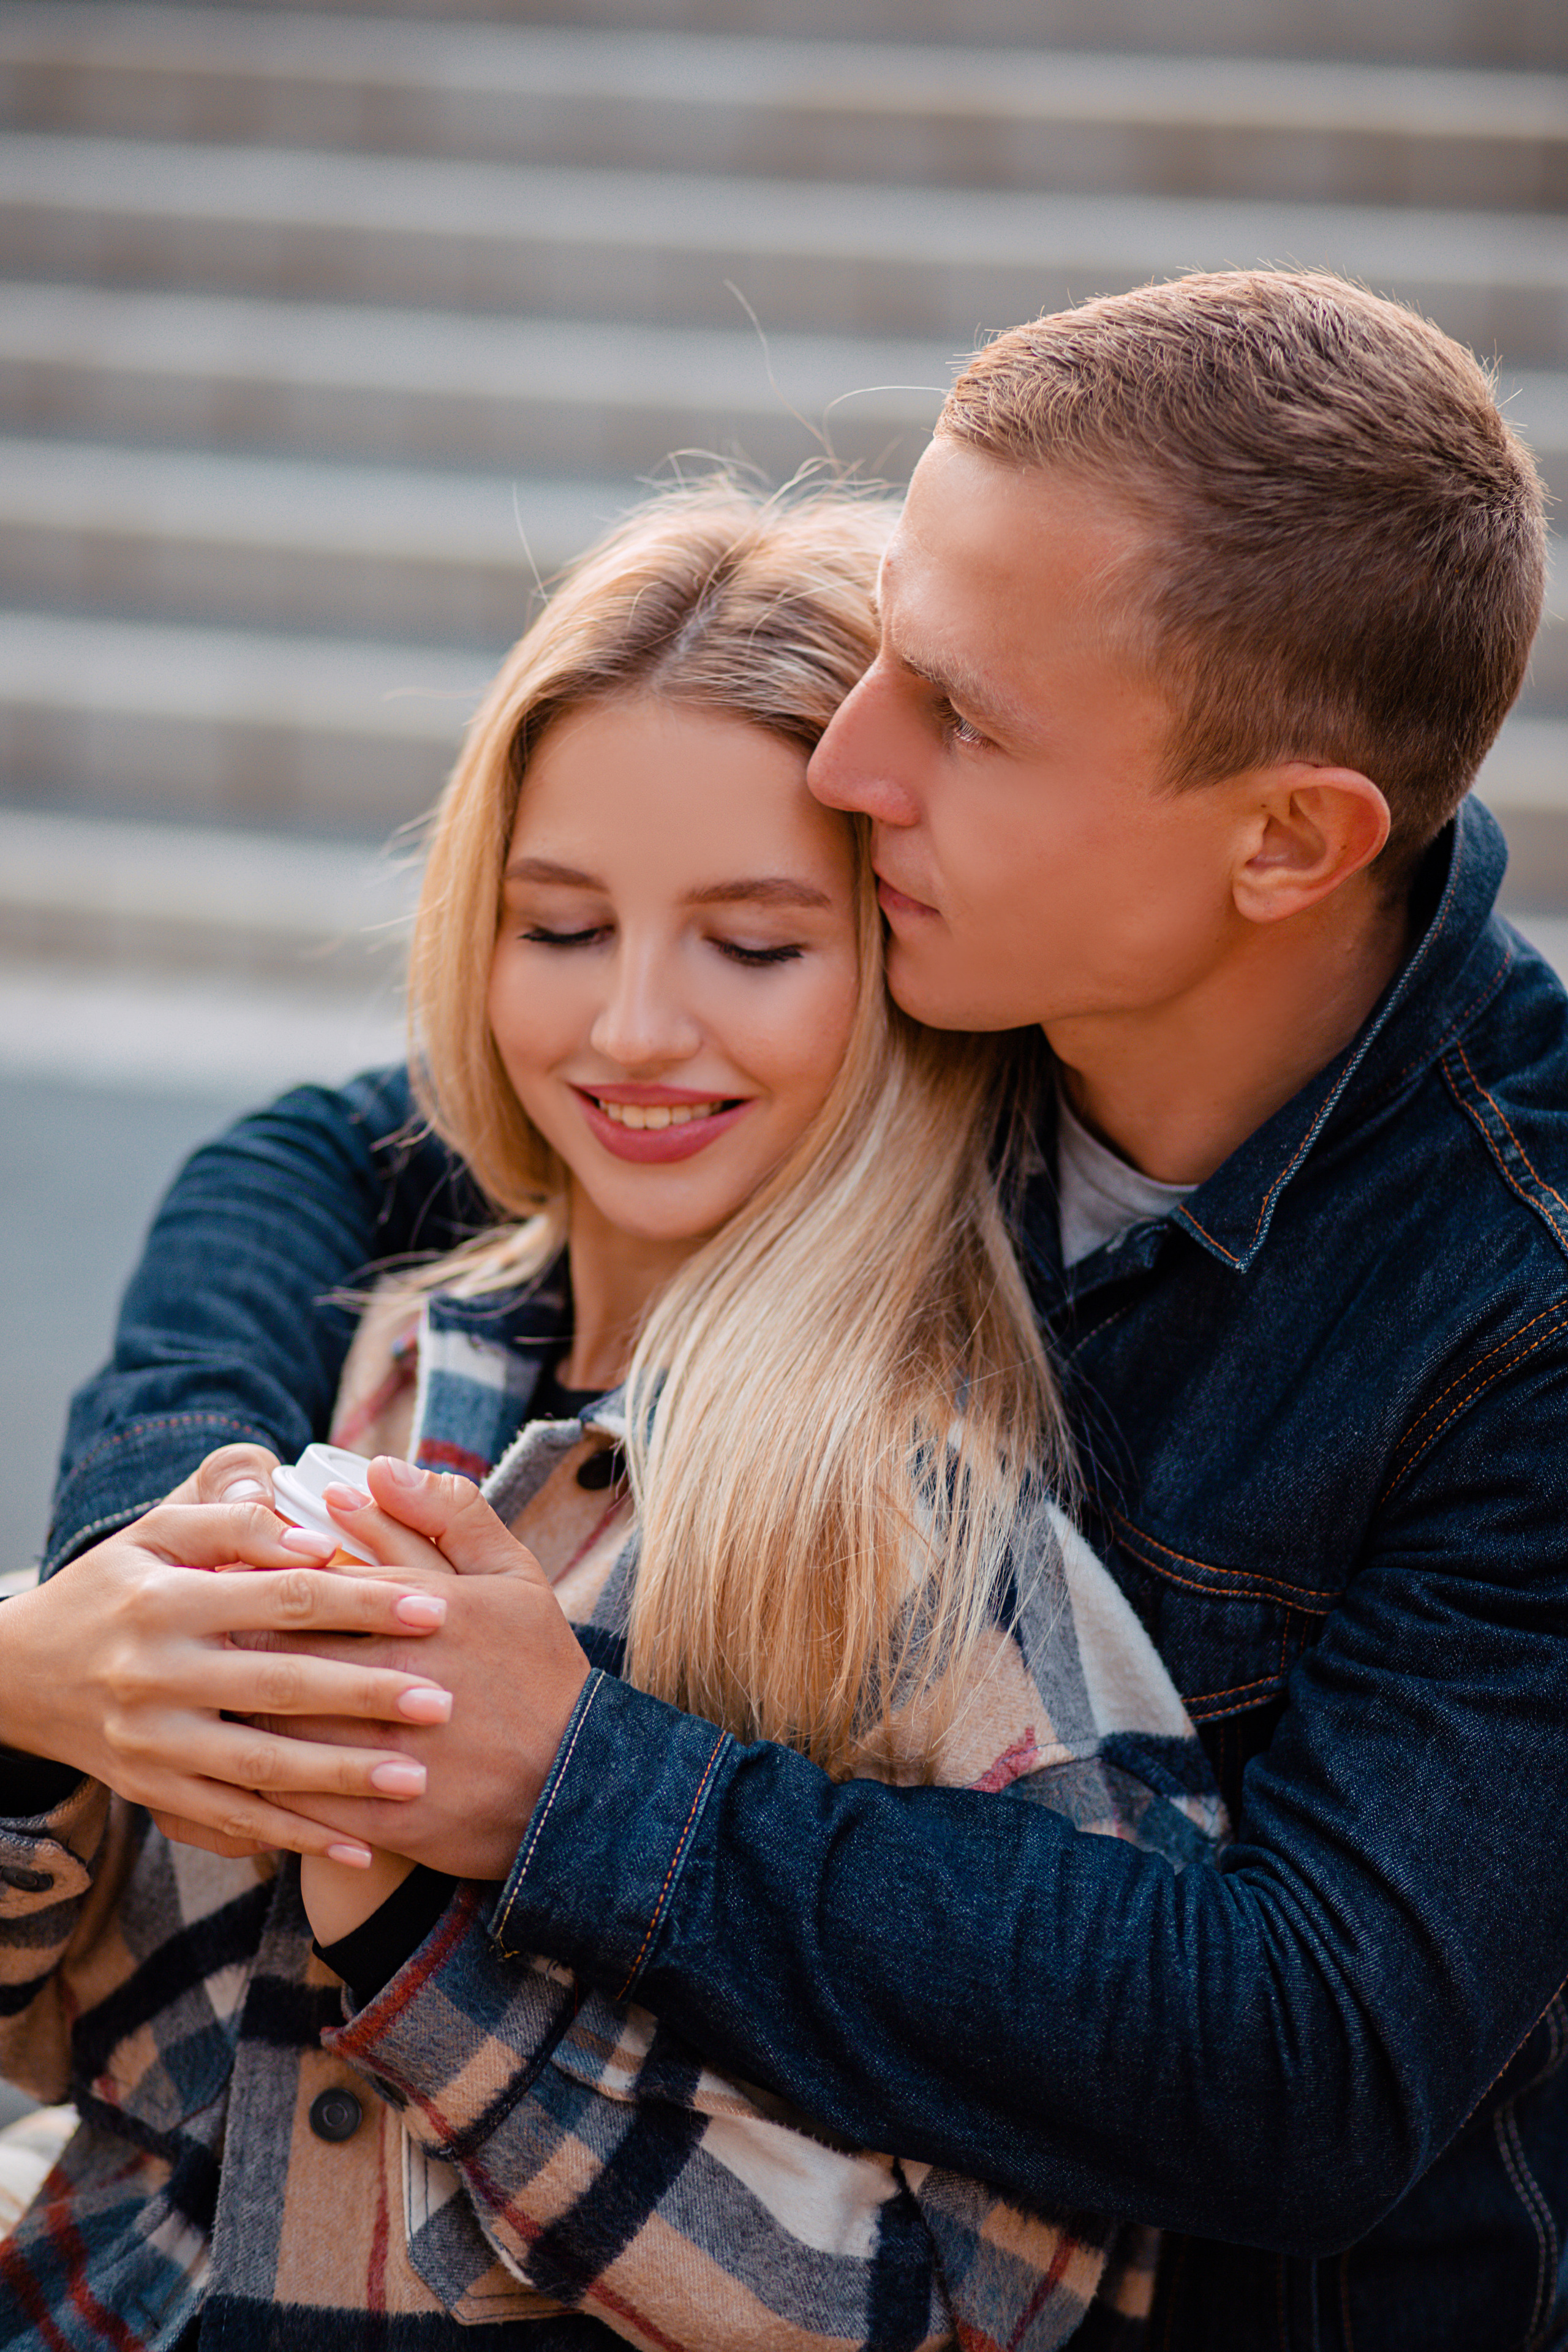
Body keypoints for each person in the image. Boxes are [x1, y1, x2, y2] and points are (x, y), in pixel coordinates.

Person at [25, 266, 1565, 2344]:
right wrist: (148, 1562)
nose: (849, 759)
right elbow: (342, 1148)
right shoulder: (964, 967)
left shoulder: (1517, 1299)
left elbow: (1307, 2058)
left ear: (1285, 842)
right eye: (892, 656)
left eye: (961, 713)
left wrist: (572, 1781)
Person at [0, 483, 1221, 2349]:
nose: (636, 1027)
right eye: (559, 925)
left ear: (908, 966)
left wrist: (433, 1960)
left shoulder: (944, 1543)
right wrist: (35, 1716)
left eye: (752, 946)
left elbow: (1003, 2309)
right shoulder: (349, 1373)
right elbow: (66, 2033)